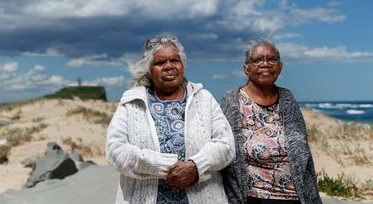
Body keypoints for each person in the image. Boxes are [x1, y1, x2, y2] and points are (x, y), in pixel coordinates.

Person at [107, 34, 235, 204]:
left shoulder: (204, 98)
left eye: (175, 60)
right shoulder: (131, 102)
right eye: (160, 62)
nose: (169, 66)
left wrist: (195, 167)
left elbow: (226, 145)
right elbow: (115, 151)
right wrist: (162, 166)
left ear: (182, 65)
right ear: (149, 70)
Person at [221, 39, 322, 204]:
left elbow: (304, 154)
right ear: (246, 68)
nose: (265, 64)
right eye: (258, 60)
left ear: (280, 67)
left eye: (272, 59)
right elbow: (223, 149)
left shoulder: (287, 98)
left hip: (296, 196)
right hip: (253, 197)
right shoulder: (232, 100)